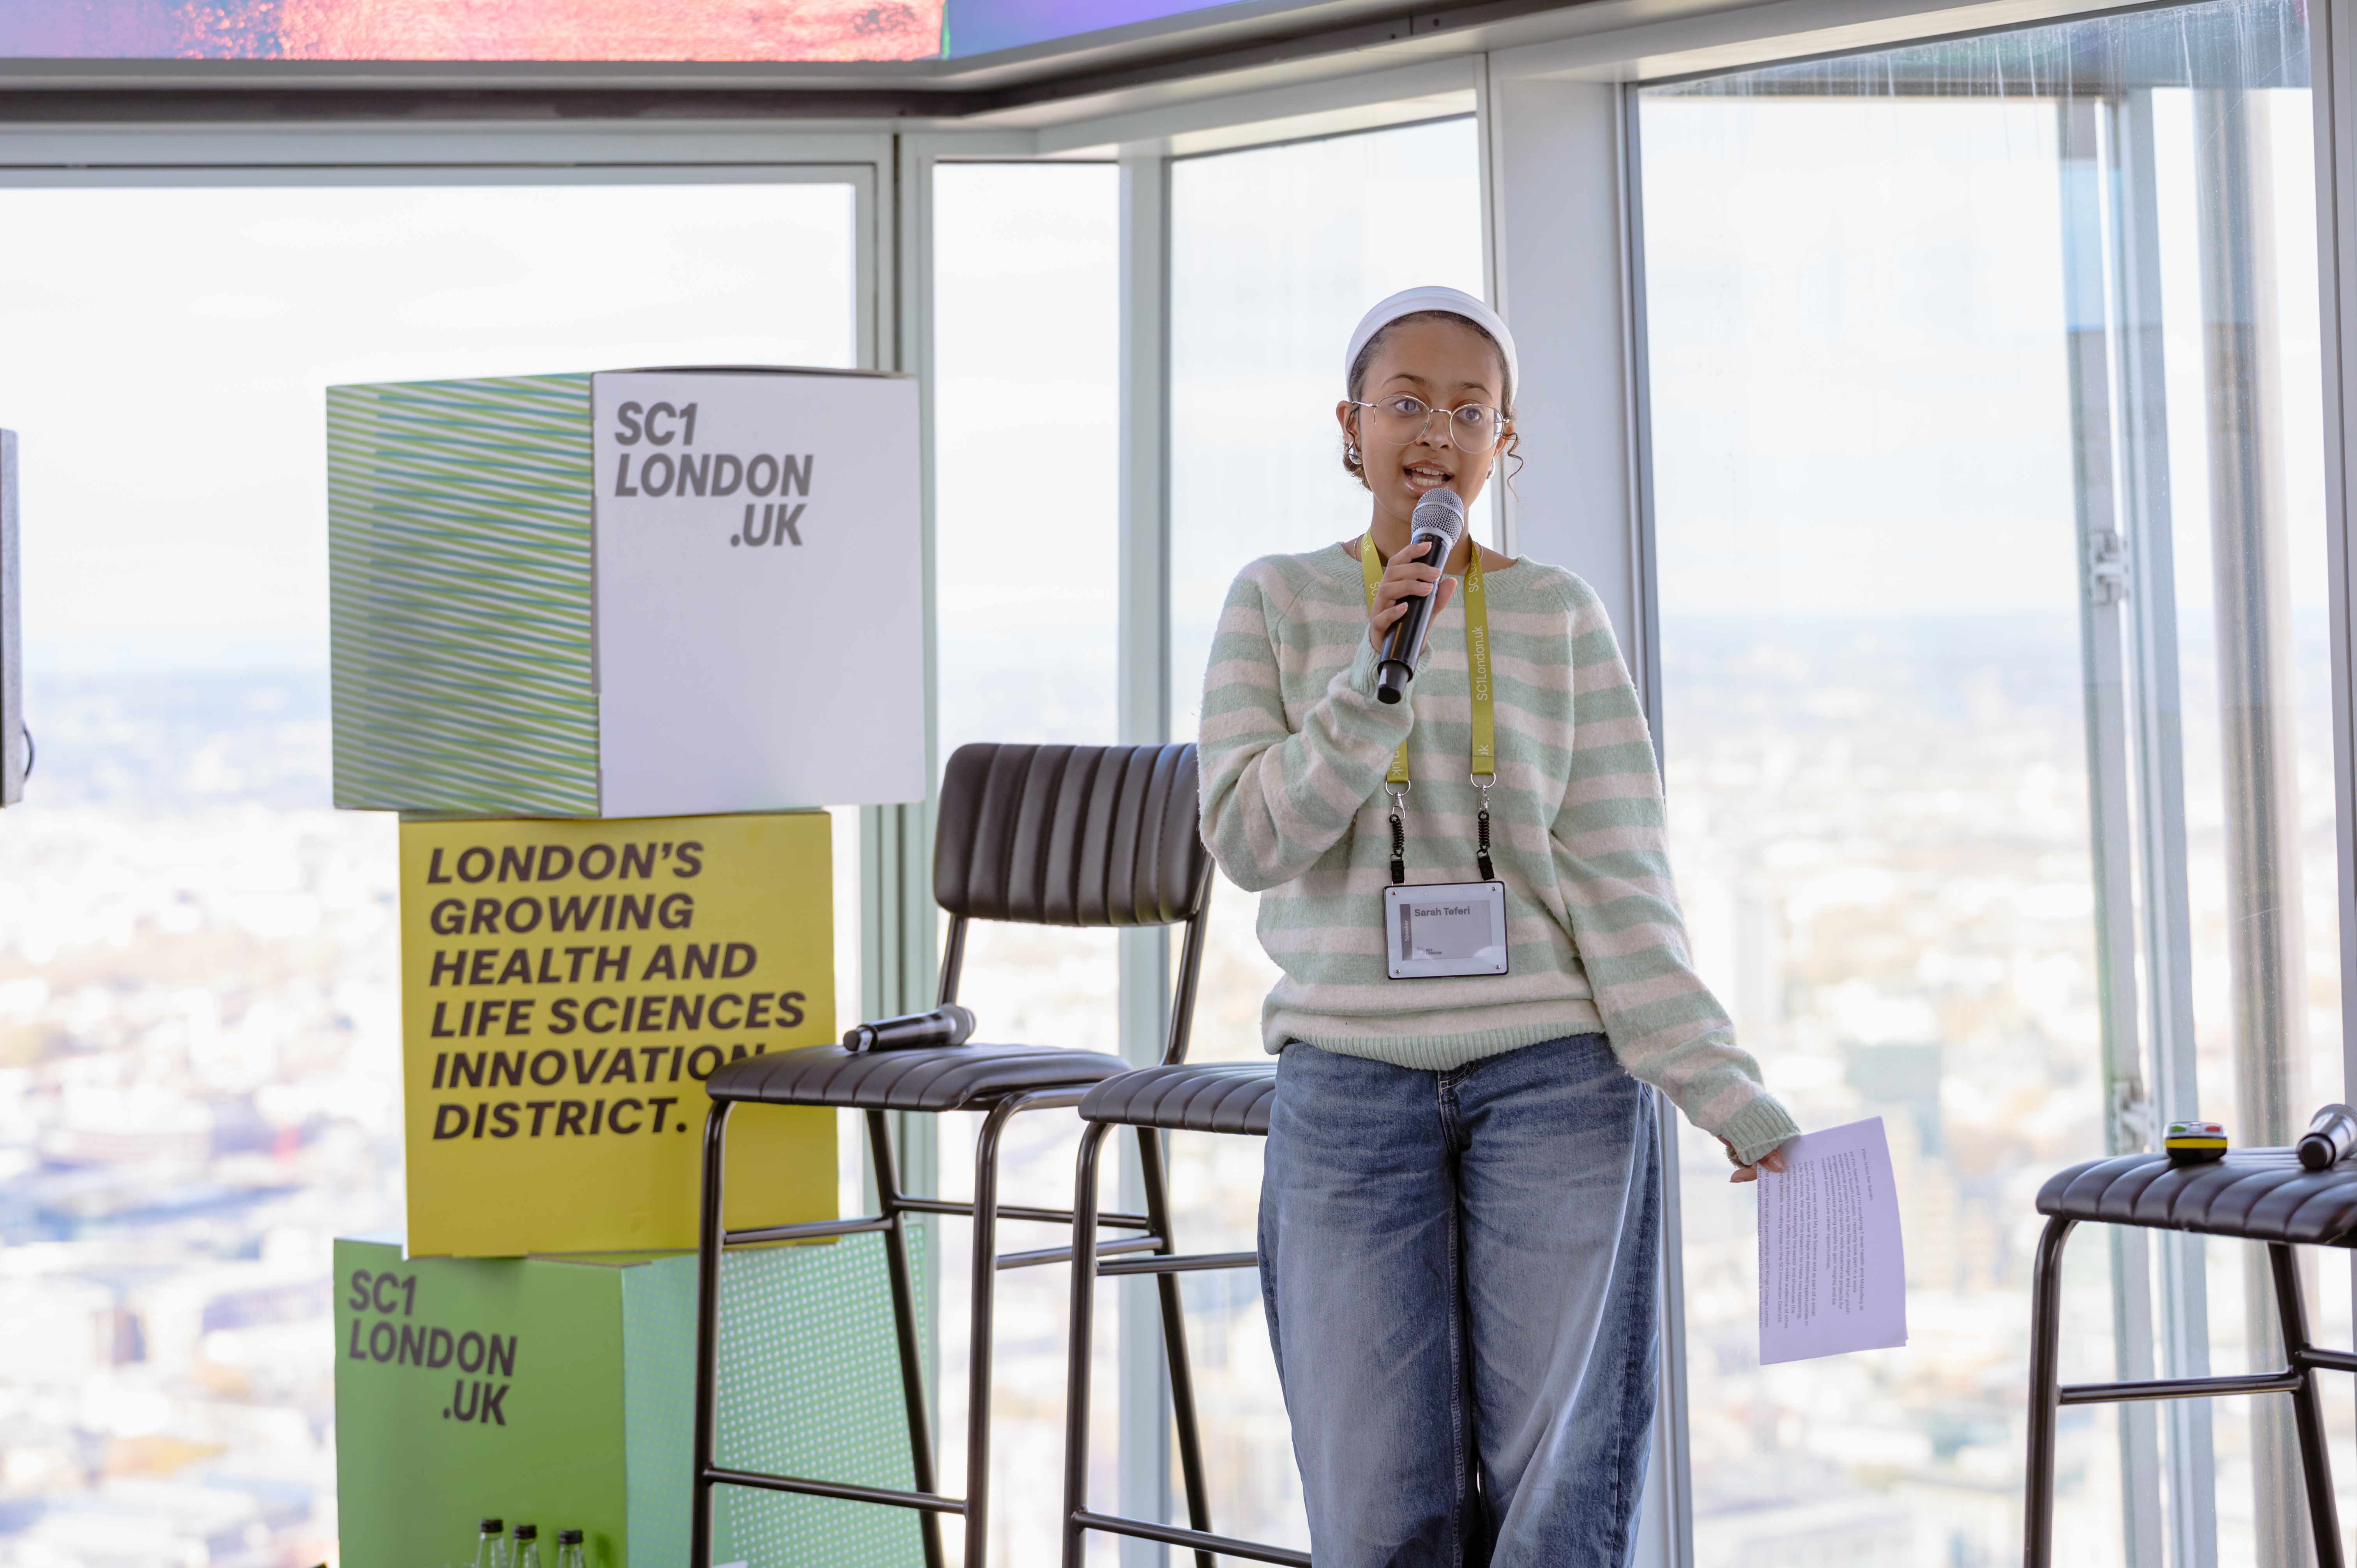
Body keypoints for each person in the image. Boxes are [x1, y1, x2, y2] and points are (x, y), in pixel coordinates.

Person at [1196, 285, 1799, 1568]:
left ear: (1504, 443)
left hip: (1557, 1080)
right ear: (1350, 426)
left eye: (1471, 412)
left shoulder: (1558, 615)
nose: (1437, 434)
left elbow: (1622, 879)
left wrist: (1724, 1089)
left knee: (1561, 1501)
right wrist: (1365, 691)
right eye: (1407, 402)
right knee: (1375, 1507)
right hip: (1349, 1081)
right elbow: (1249, 842)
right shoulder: (1276, 604)